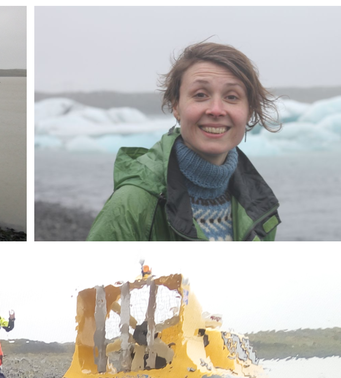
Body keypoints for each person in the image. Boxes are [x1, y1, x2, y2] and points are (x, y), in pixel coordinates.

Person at [87, 42, 282, 242]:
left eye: (232, 97)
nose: (216, 109)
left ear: (248, 110)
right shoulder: (131, 206)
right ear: (176, 106)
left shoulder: (258, 203)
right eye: (200, 95)